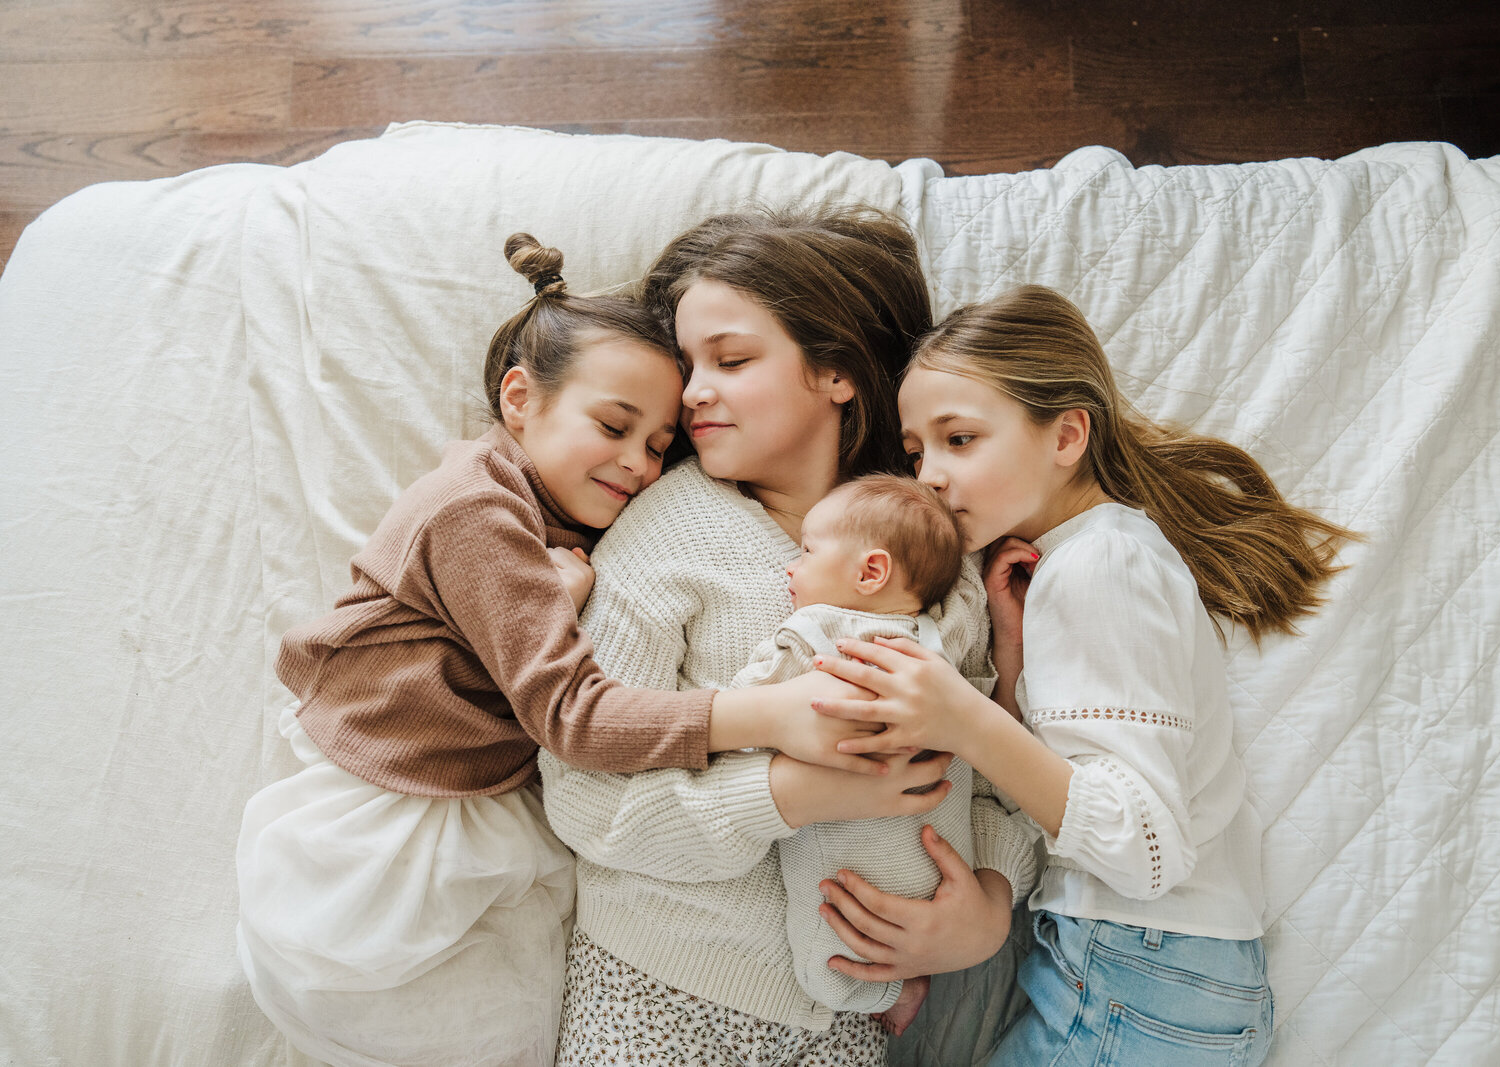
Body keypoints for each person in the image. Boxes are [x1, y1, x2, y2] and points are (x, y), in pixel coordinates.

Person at [234, 234, 887, 1067]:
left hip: (488, 802)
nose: (638, 464)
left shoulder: (575, 519)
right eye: (615, 426)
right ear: (520, 398)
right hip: (398, 818)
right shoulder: (472, 510)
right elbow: (573, 713)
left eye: (658, 445)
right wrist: (762, 714)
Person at [538, 207, 1039, 1067]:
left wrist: (990, 903)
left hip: (850, 1010)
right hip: (662, 986)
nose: (693, 390)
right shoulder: (663, 538)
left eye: (730, 360)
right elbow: (586, 801)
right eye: (688, 364)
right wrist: (788, 792)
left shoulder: (935, 560)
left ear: (837, 372)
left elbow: (1000, 773)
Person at [812, 285, 1359, 1066]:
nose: (928, 475)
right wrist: (1012, 664)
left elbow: (1146, 847)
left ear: (1067, 434)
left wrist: (962, 717)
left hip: (1145, 971)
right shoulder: (1086, 560)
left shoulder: (1102, 564)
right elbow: (1084, 767)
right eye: (916, 452)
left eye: (959, 439)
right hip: (1156, 975)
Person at [729, 474, 974, 1036]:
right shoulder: (936, 642)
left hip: (849, 843)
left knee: (831, 944)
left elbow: (747, 702)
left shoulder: (818, 629)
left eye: (807, 552)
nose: (790, 567)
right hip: (937, 849)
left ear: (870, 572)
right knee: (896, 925)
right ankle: (910, 980)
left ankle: (885, 990)